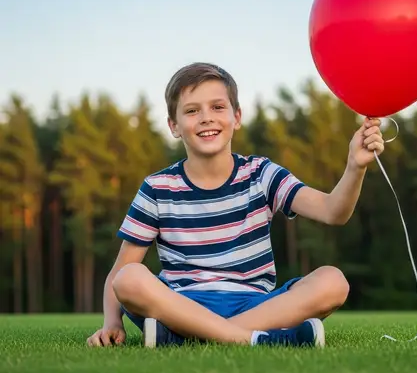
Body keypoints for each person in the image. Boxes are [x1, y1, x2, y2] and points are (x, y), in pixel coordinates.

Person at [86, 62, 384, 349]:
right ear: (174, 126)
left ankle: (186, 337)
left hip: (257, 303)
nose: (206, 118)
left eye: (218, 107)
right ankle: (255, 338)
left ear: (237, 117)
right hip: (180, 303)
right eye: (192, 111)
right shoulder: (157, 187)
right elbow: (121, 270)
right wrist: (112, 322)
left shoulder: (261, 174)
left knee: (333, 281)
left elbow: (333, 211)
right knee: (129, 279)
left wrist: (355, 167)